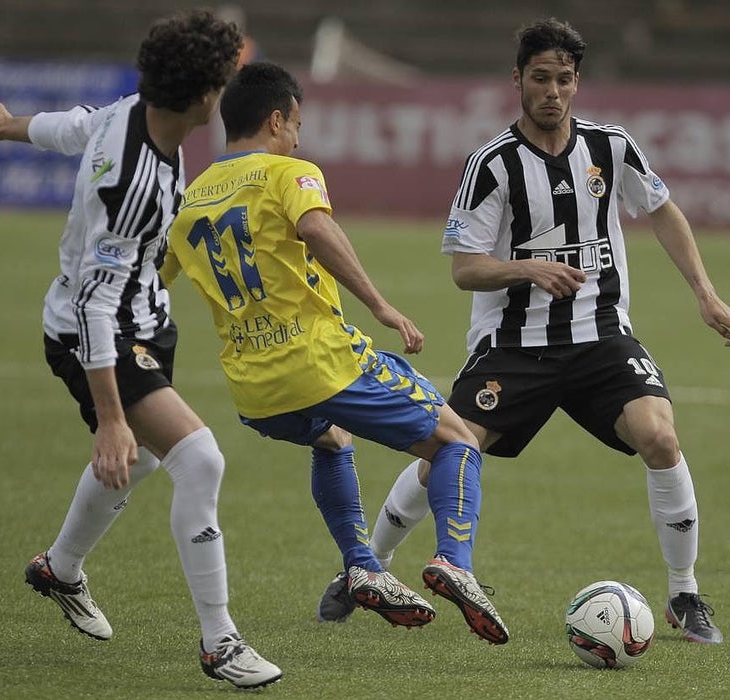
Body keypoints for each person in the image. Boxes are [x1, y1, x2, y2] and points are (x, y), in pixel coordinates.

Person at [318, 18, 730, 645]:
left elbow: (661, 210)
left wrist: (705, 294)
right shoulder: (491, 165)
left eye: (564, 80)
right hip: (513, 348)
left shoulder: (612, 148)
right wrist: (528, 268)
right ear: (517, 80)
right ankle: (363, 569)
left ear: (577, 83)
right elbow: (465, 270)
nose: (553, 91)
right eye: (540, 78)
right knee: (444, 448)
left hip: (600, 337)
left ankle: (684, 594)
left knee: (659, 436)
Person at [0, 10, 283, 687]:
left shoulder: (141, 111)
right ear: (206, 95)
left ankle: (59, 568)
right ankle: (220, 642)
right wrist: (110, 416)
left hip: (144, 320)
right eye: (224, 77)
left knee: (153, 458)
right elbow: (94, 303)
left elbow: (75, 124)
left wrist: (8, 125)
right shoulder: (126, 185)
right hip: (95, 333)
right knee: (200, 459)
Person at [162, 61, 508, 645]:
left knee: (331, 438)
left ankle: (363, 565)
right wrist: (381, 306)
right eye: (296, 124)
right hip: (320, 359)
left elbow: (152, 280)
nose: (299, 137)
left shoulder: (190, 198)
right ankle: (454, 561)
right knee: (458, 441)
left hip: (253, 386)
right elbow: (319, 230)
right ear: (276, 120)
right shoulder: (288, 172)